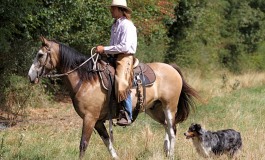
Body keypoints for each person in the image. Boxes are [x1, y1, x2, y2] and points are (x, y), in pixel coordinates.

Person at [96, 0, 137, 126]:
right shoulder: (115, 25)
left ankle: (127, 114)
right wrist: (105, 53)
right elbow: (114, 45)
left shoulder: (127, 25)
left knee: (121, 82)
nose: (111, 11)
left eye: (113, 8)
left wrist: (105, 49)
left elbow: (124, 46)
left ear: (120, 10)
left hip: (125, 57)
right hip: (114, 56)